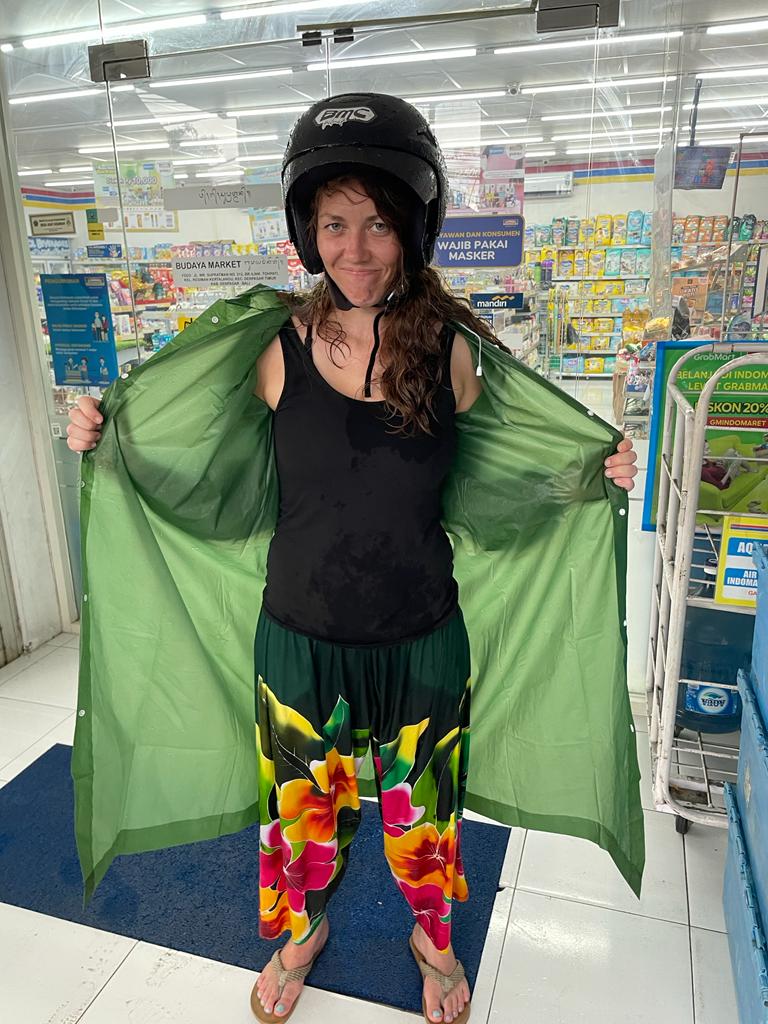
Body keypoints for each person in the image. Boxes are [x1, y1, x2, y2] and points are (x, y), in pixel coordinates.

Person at [66, 93, 638, 1024]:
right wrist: (103, 432)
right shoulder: (273, 348)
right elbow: (190, 461)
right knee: (303, 820)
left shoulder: (453, 355)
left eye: (378, 223)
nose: (357, 249)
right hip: (301, 638)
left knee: (426, 822)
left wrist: (592, 469)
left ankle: (432, 943)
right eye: (335, 224)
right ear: (309, 233)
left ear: (412, 229)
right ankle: (304, 934)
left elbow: (506, 481)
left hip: (422, 640)